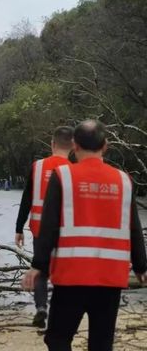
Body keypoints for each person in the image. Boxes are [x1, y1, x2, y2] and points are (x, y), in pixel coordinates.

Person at [22, 120, 147, 351]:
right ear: (106, 146)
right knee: (101, 343)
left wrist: (38, 266)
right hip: (110, 279)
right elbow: (134, 228)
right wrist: (141, 267)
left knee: (57, 339)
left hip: (72, 276)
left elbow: (49, 226)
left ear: (75, 146)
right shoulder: (123, 180)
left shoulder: (63, 177)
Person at [15, 126, 74, 328]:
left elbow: (27, 199)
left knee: (40, 269)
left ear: (52, 144)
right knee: (62, 272)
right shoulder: (73, 170)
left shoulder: (38, 167)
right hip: (66, 231)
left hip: (40, 228)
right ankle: (60, 313)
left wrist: (18, 228)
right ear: (73, 146)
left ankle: (41, 307)